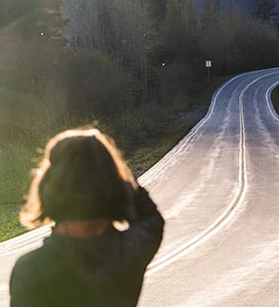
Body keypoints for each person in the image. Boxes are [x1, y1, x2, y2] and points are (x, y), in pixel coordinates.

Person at [10, 128, 164, 306]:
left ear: (49, 185)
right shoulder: (129, 252)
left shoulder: (31, 270)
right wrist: (107, 171)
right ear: (112, 183)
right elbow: (148, 215)